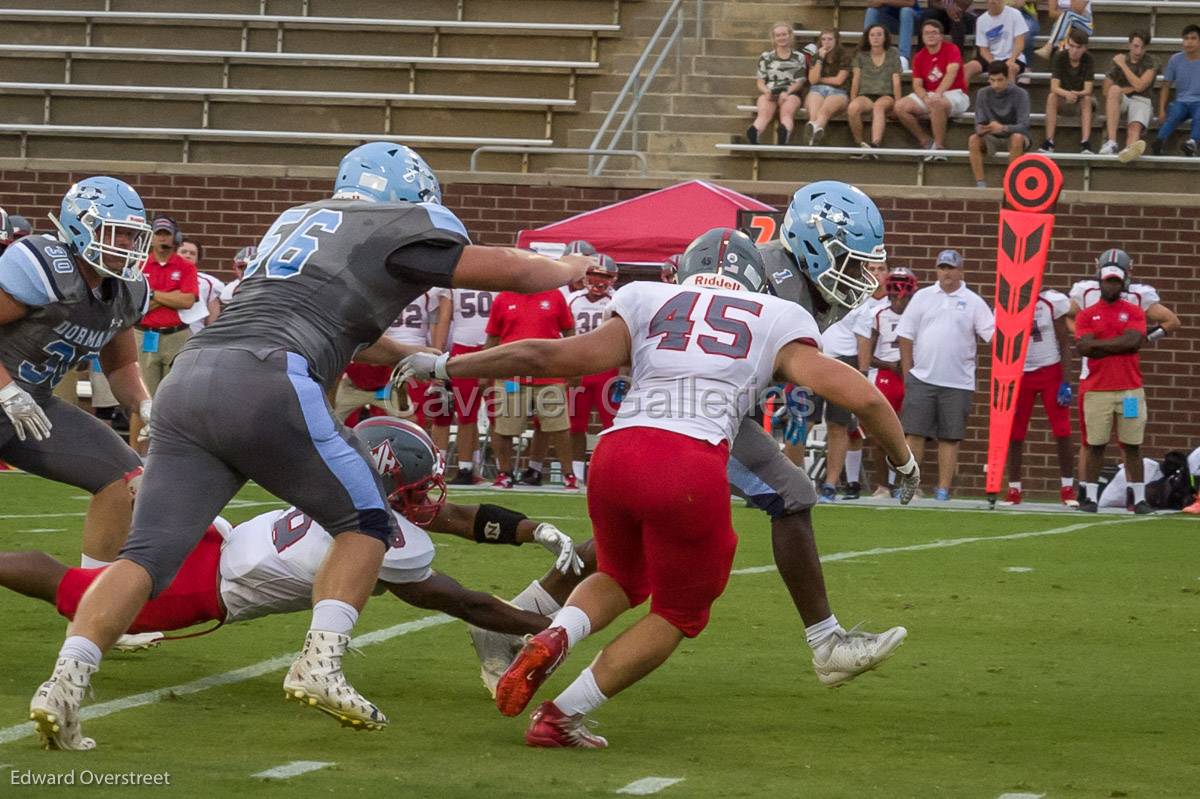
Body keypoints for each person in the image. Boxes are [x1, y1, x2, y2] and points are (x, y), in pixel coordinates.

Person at [27, 141, 591, 751]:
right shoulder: (397, 222)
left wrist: (420, 357)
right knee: (368, 520)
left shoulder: (295, 222)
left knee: (144, 557)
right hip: (269, 377)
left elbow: (341, 327)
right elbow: (520, 271)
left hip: (194, 377)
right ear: (404, 193)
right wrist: (571, 267)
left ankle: (65, 681)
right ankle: (320, 663)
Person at [396, 227, 920, 749]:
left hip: (615, 454)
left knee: (620, 575)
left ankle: (555, 633)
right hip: (688, 464)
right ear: (756, 278)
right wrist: (902, 459)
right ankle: (560, 716)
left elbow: (547, 358)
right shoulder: (777, 315)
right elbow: (864, 398)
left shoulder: (647, 297)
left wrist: (448, 365)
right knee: (677, 612)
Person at [2, 417, 586, 659]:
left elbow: (455, 516)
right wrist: (552, 629)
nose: (430, 500)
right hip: (207, 583)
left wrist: (533, 530)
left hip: (222, 541)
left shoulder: (347, 490)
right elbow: (462, 601)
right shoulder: (385, 538)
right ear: (389, 483)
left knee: (99, 573)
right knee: (85, 595)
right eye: (417, 488)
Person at [1, 177, 153, 571]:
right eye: (115, 234)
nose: (125, 247)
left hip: (32, 406)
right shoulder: (41, 264)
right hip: (11, 396)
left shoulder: (127, 290)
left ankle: (94, 601)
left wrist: (144, 403)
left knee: (122, 477)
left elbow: (120, 364)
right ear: (78, 226)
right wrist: (6, 390)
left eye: (132, 237)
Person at [896, 249, 995, 500]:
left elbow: (992, 336)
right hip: (922, 377)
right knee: (914, 433)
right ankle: (911, 485)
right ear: (936, 270)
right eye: (942, 267)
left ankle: (943, 489)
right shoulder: (922, 297)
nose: (946, 273)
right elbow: (906, 335)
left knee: (950, 437)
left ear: (961, 271)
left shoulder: (973, 301)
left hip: (958, 382)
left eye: (951, 268)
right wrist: (909, 373)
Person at [1074, 257, 1151, 514]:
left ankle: (1138, 498)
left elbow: (1134, 341)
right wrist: (1118, 344)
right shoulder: (1087, 314)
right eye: (1108, 281)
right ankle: (1091, 498)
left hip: (1129, 389)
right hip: (1098, 391)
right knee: (1095, 444)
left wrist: (1100, 345)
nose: (1111, 286)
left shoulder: (1134, 311)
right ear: (1100, 282)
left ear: (1123, 283)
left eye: (1116, 281)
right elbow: (1084, 347)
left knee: (1131, 444)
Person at [484, 285, 577, 490]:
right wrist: (483, 370)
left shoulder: (555, 296)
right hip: (511, 375)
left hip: (549, 373)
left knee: (559, 426)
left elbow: (569, 329)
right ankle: (505, 473)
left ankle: (569, 474)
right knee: (505, 426)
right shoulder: (503, 297)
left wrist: (573, 364)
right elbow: (493, 336)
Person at [815, 259, 891, 500]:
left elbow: (862, 339)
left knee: (839, 425)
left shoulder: (862, 301)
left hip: (844, 362)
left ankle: (831, 483)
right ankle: (795, 478)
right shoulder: (818, 286)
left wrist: (863, 373)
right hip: (812, 358)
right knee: (799, 423)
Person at [1003, 286, 1077, 506]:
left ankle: (1067, 489)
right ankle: (1014, 488)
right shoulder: (1010, 305)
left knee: (1062, 430)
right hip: (1020, 373)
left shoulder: (1051, 301)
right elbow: (1003, 345)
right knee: (1015, 432)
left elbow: (1064, 343)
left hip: (1050, 370)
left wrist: (1066, 381)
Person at [856, 266, 918, 496]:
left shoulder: (918, 314)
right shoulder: (878, 314)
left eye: (904, 292)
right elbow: (868, 355)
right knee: (881, 432)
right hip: (886, 376)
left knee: (909, 433)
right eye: (895, 291)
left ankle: (905, 483)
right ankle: (882, 484)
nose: (899, 297)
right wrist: (891, 365)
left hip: (912, 376)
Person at [430, 287, 496, 485]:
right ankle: (466, 467)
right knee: (466, 413)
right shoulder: (454, 284)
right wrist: (436, 355)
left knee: (497, 414)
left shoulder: (497, 275)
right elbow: (443, 319)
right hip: (464, 347)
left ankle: (486, 469)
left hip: (493, 347)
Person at [566, 255, 620, 485]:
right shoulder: (573, 299)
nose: (598, 281)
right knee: (576, 423)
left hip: (607, 366)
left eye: (604, 277)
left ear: (613, 278)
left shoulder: (618, 299)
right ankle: (577, 474)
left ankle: (614, 472)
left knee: (613, 424)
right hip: (579, 365)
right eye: (594, 276)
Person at [135, 216, 198, 397]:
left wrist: (153, 293)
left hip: (175, 335)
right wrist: (172, 296)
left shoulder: (186, 267)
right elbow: (138, 302)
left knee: (174, 393)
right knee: (146, 394)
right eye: (158, 234)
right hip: (144, 334)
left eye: (167, 234)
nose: (163, 238)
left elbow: (186, 301)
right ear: (151, 237)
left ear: (175, 238)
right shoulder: (138, 265)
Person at [894, 19, 971, 160]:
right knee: (900, 106)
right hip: (929, 93)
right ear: (922, 37)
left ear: (941, 35)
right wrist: (925, 97)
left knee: (937, 103)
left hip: (955, 93)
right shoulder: (919, 57)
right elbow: (917, 84)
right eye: (927, 33)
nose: (930, 35)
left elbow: (951, 73)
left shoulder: (952, 49)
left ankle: (940, 148)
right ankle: (926, 141)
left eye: (934, 32)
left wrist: (938, 94)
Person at [969, 60, 1032, 188]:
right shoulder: (982, 93)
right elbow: (979, 126)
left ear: (1007, 77)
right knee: (973, 139)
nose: (996, 84)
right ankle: (980, 184)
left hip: (1014, 135)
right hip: (991, 135)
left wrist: (1002, 128)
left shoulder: (1021, 94)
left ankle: (1010, 182)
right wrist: (989, 129)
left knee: (1017, 138)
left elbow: (1024, 126)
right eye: (992, 80)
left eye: (1000, 80)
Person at [1099, 30, 1158, 163]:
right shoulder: (1118, 61)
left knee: (1134, 126)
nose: (1138, 51)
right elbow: (1105, 91)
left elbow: (1140, 86)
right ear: (1130, 44)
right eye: (1136, 46)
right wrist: (1127, 89)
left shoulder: (1152, 61)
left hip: (1143, 100)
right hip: (1122, 100)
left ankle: (1129, 149)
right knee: (1114, 90)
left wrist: (1123, 65)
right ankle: (1112, 142)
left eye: (1142, 47)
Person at [748, 21, 810, 146]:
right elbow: (760, 81)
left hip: (791, 92)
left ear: (790, 36)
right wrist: (766, 92)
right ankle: (755, 131)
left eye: (784, 34)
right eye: (778, 35)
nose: (781, 38)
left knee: (787, 112)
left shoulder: (799, 57)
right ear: (774, 38)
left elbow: (800, 81)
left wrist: (787, 92)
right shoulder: (766, 57)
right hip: (770, 91)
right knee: (764, 113)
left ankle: (784, 133)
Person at [848, 24, 904, 157]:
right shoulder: (860, 55)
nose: (875, 38)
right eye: (872, 35)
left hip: (886, 95)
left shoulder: (893, 53)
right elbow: (856, 78)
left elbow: (896, 79)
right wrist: (852, 98)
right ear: (867, 37)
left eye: (879, 34)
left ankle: (875, 145)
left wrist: (898, 103)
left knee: (878, 106)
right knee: (853, 108)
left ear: (885, 37)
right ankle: (860, 145)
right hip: (865, 95)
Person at [1040, 27, 1095, 153]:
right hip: (1063, 98)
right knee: (1051, 97)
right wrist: (1067, 94)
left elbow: (1088, 89)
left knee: (1087, 100)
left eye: (1078, 47)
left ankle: (1085, 142)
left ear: (1084, 48)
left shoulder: (1089, 59)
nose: (1074, 50)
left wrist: (1076, 94)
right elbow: (1054, 87)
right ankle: (1049, 141)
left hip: (1079, 99)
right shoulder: (1059, 56)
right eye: (1072, 46)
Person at [1151, 24, 1200, 157]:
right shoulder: (1175, 60)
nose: (1189, 42)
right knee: (1174, 113)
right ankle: (1159, 142)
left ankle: (1192, 143)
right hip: (1182, 101)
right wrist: (1161, 110)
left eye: (1193, 38)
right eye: (1186, 38)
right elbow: (1166, 85)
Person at [963, 0, 1029, 84]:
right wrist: (993, 62)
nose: (993, 2)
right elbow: (983, 49)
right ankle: (961, 96)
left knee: (1010, 68)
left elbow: (1020, 43)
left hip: (1013, 57)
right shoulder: (981, 20)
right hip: (991, 58)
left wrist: (1012, 59)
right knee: (967, 68)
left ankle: (1009, 96)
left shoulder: (1015, 14)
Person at [804, 29, 850, 145]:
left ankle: (813, 133)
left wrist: (821, 79)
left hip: (838, 92)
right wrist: (820, 59)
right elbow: (813, 80)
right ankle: (815, 134)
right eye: (823, 39)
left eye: (830, 39)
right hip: (817, 89)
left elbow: (839, 80)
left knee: (824, 111)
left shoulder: (844, 56)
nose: (826, 42)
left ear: (836, 41)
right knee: (814, 112)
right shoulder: (816, 56)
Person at [176, 238, 225, 333]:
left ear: (197, 259)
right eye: (183, 252)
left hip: (195, 338)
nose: (187, 256)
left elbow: (212, 321)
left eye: (192, 253)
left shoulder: (208, 283)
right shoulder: (162, 277)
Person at [216, 245, 257, 311]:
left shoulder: (270, 284)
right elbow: (226, 297)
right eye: (242, 267)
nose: (246, 271)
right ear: (235, 268)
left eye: (251, 267)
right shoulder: (230, 288)